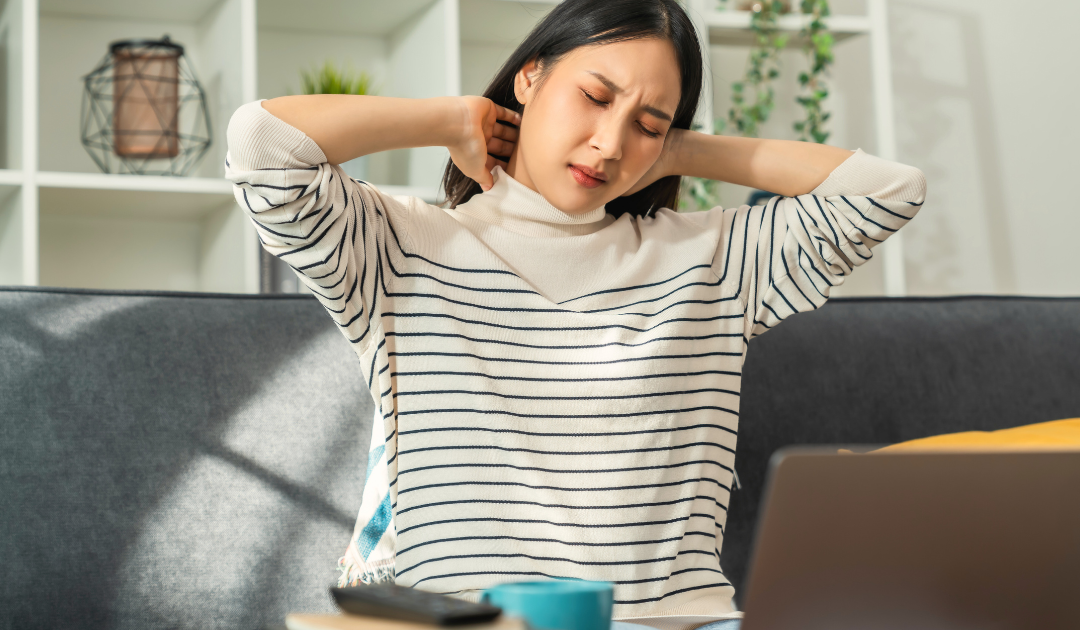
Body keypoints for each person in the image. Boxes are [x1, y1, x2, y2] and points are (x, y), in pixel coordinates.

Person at [224, 1, 926, 628]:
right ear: (529, 79)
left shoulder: (713, 258)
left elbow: (890, 191)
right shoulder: (401, 247)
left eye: (646, 124)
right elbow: (262, 144)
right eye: (595, 97)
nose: (610, 144)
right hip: (470, 625)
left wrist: (680, 148)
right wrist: (449, 118)